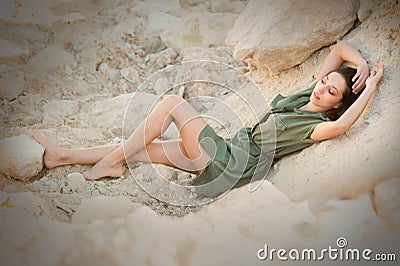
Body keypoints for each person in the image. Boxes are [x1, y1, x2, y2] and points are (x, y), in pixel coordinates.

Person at [30, 40, 384, 197]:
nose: (322, 87)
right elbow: (339, 49)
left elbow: (342, 126)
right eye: (325, 81)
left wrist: (369, 89)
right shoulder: (304, 97)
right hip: (224, 151)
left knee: (171, 103)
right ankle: (65, 156)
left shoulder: (316, 126)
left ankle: (111, 161)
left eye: (331, 92)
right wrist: (361, 66)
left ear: (337, 103)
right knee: (141, 148)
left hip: (228, 168)